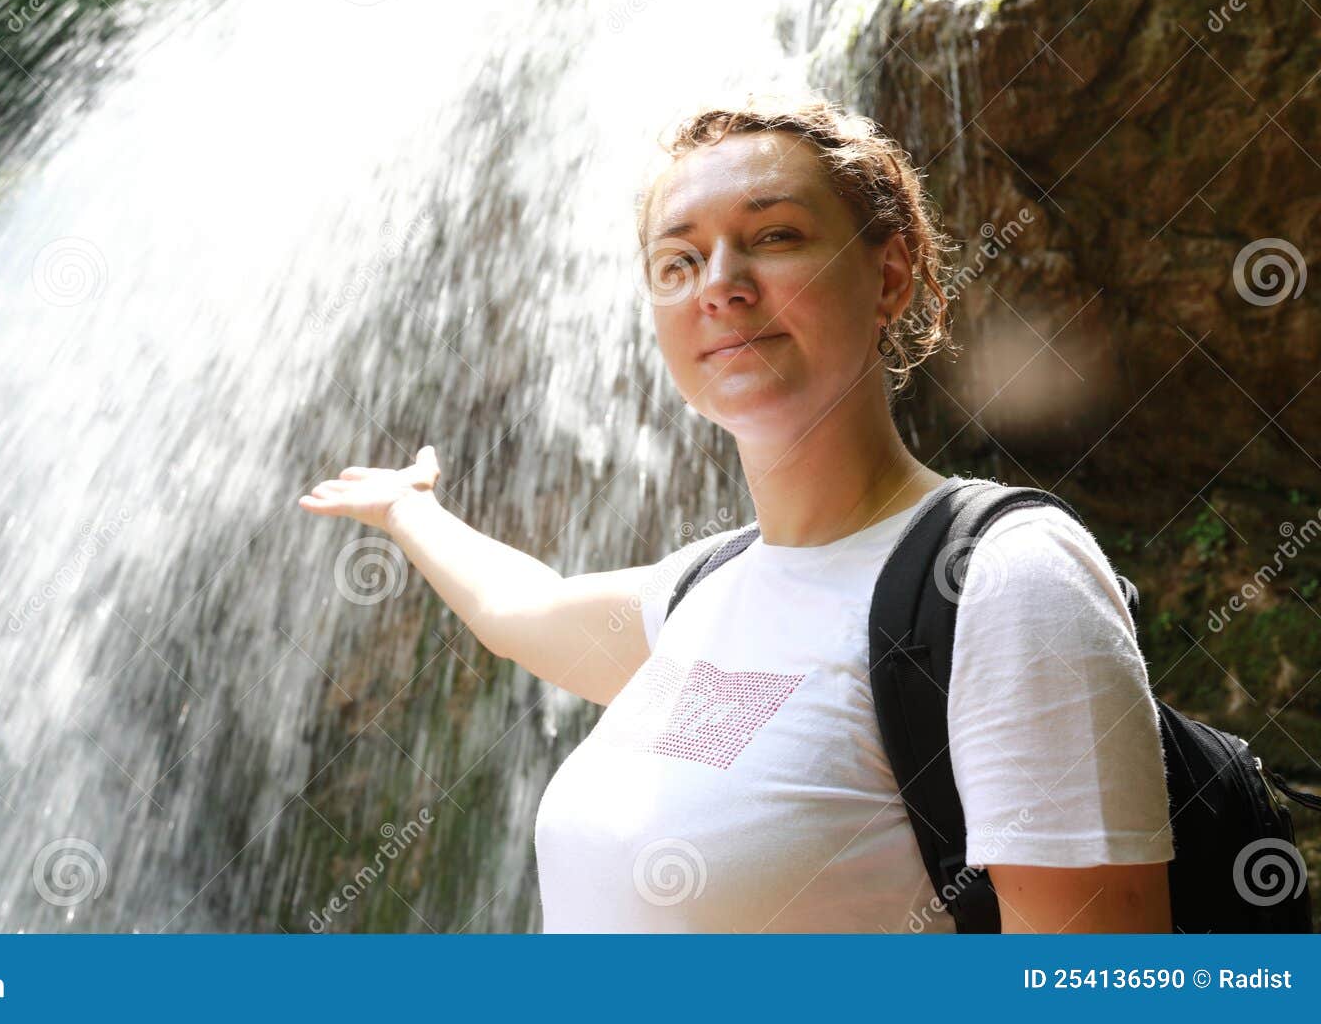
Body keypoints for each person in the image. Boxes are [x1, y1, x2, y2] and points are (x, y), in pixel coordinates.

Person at [297, 94, 1174, 933]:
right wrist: (409, 512)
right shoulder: (701, 589)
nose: (719, 285)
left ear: (891, 275)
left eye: (774, 236)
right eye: (678, 260)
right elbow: (517, 609)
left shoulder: (1006, 578)